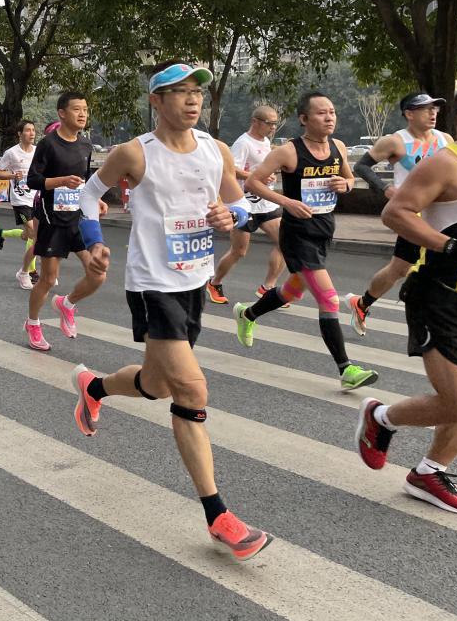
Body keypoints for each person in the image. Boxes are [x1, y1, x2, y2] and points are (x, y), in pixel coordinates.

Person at [71, 62, 273, 559]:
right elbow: (86, 195)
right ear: (155, 102)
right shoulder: (134, 154)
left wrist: (235, 214)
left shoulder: (215, 149)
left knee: (158, 385)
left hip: (193, 279)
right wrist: (94, 242)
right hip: (151, 284)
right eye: (177, 92)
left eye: (195, 93)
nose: (191, 100)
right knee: (191, 388)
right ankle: (218, 514)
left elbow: (241, 202)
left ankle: (94, 386)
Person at [356, 82, 457, 515]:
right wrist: (448, 246)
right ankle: (380, 419)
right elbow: (395, 212)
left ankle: (429, 472)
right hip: (441, 296)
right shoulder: (448, 165)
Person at [237, 92, 378, 389]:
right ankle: (346, 369)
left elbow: (351, 179)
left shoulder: (339, 147)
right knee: (328, 299)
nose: (329, 118)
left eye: (332, 112)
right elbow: (252, 181)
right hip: (297, 234)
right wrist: (286, 202)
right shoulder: (288, 152)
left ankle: (247, 313)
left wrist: (346, 184)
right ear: (304, 119)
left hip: (324, 229)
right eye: (321, 113)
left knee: (291, 292)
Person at [348, 92, 453, 334]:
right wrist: (385, 188)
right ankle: (365, 304)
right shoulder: (394, 142)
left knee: (406, 267)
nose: (433, 113)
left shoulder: (445, 139)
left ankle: (362, 303)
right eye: (426, 108)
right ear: (409, 113)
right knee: (406, 267)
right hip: (411, 215)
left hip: (442, 213)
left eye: (435, 109)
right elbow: (361, 166)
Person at [23, 92, 108, 350]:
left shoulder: (85, 146)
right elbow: (32, 180)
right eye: (76, 109)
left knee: (98, 273)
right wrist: (60, 181)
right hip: (53, 219)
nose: (82, 114)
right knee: (48, 279)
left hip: (78, 218)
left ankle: (67, 303)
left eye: (85, 110)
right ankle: (33, 323)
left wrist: (96, 200)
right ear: (62, 113)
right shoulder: (48, 144)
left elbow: (86, 182)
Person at [205, 106, 286, 305]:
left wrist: (270, 174)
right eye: (269, 123)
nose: (273, 128)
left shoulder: (266, 141)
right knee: (239, 251)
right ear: (255, 121)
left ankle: (267, 287)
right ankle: (214, 282)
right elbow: (231, 169)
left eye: (275, 123)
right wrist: (256, 177)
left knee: (286, 242)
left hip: (266, 203)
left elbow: (261, 167)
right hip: (245, 204)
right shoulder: (243, 143)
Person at [0, 119, 39, 290]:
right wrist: (12, 176)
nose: (32, 133)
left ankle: (2, 233)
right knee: (34, 232)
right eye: (28, 130)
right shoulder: (11, 153)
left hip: (36, 197)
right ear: (19, 133)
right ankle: (27, 272)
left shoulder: (38, 151)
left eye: (33, 130)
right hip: (20, 200)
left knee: (27, 235)